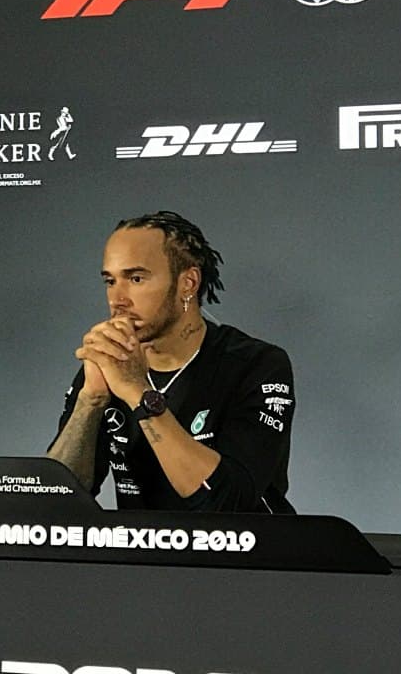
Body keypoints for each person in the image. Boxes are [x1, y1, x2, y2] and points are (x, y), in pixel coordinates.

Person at [49, 211, 295, 513]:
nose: (117, 299)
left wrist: (138, 392)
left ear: (188, 283)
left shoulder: (256, 365)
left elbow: (225, 501)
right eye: (110, 281)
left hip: (246, 543)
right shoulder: (111, 364)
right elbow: (55, 498)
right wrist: (91, 400)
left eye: (136, 279)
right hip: (144, 543)